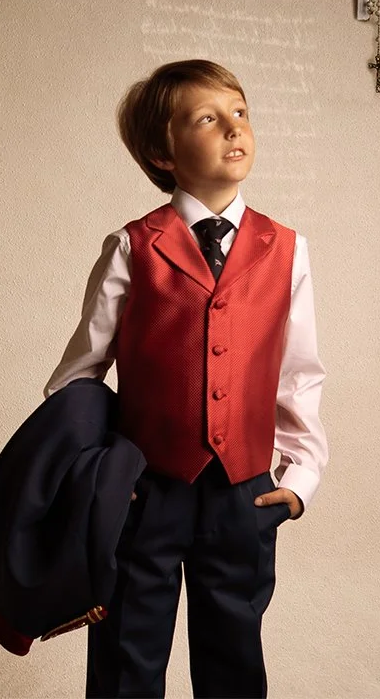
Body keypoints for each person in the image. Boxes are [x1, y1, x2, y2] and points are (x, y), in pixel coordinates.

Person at [44, 59, 328, 699]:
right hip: (146, 494)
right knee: (126, 660)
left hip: (244, 495)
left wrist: (301, 477)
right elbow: (76, 380)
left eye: (240, 112)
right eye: (207, 118)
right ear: (161, 151)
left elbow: (299, 375)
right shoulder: (131, 246)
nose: (234, 127)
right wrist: (99, 478)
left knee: (234, 660)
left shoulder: (288, 249)